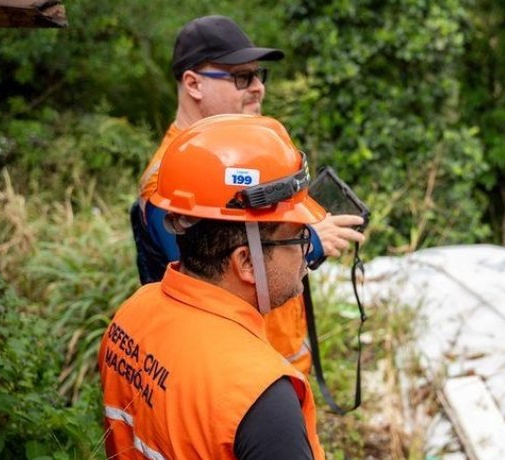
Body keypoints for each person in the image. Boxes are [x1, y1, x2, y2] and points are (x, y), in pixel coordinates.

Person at [102, 115, 335, 460]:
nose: (306, 254)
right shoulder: (259, 393)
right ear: (246, 261)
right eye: (298, 237)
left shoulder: (132, 314)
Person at [131, 14, 365, 373]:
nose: (258, 87)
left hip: (275, 362)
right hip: (236, 375)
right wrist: (309, 243)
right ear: (193, 84)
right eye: (242, 76)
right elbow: (210, 282)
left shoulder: (232, 155)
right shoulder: (169, 180)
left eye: (259, 75)